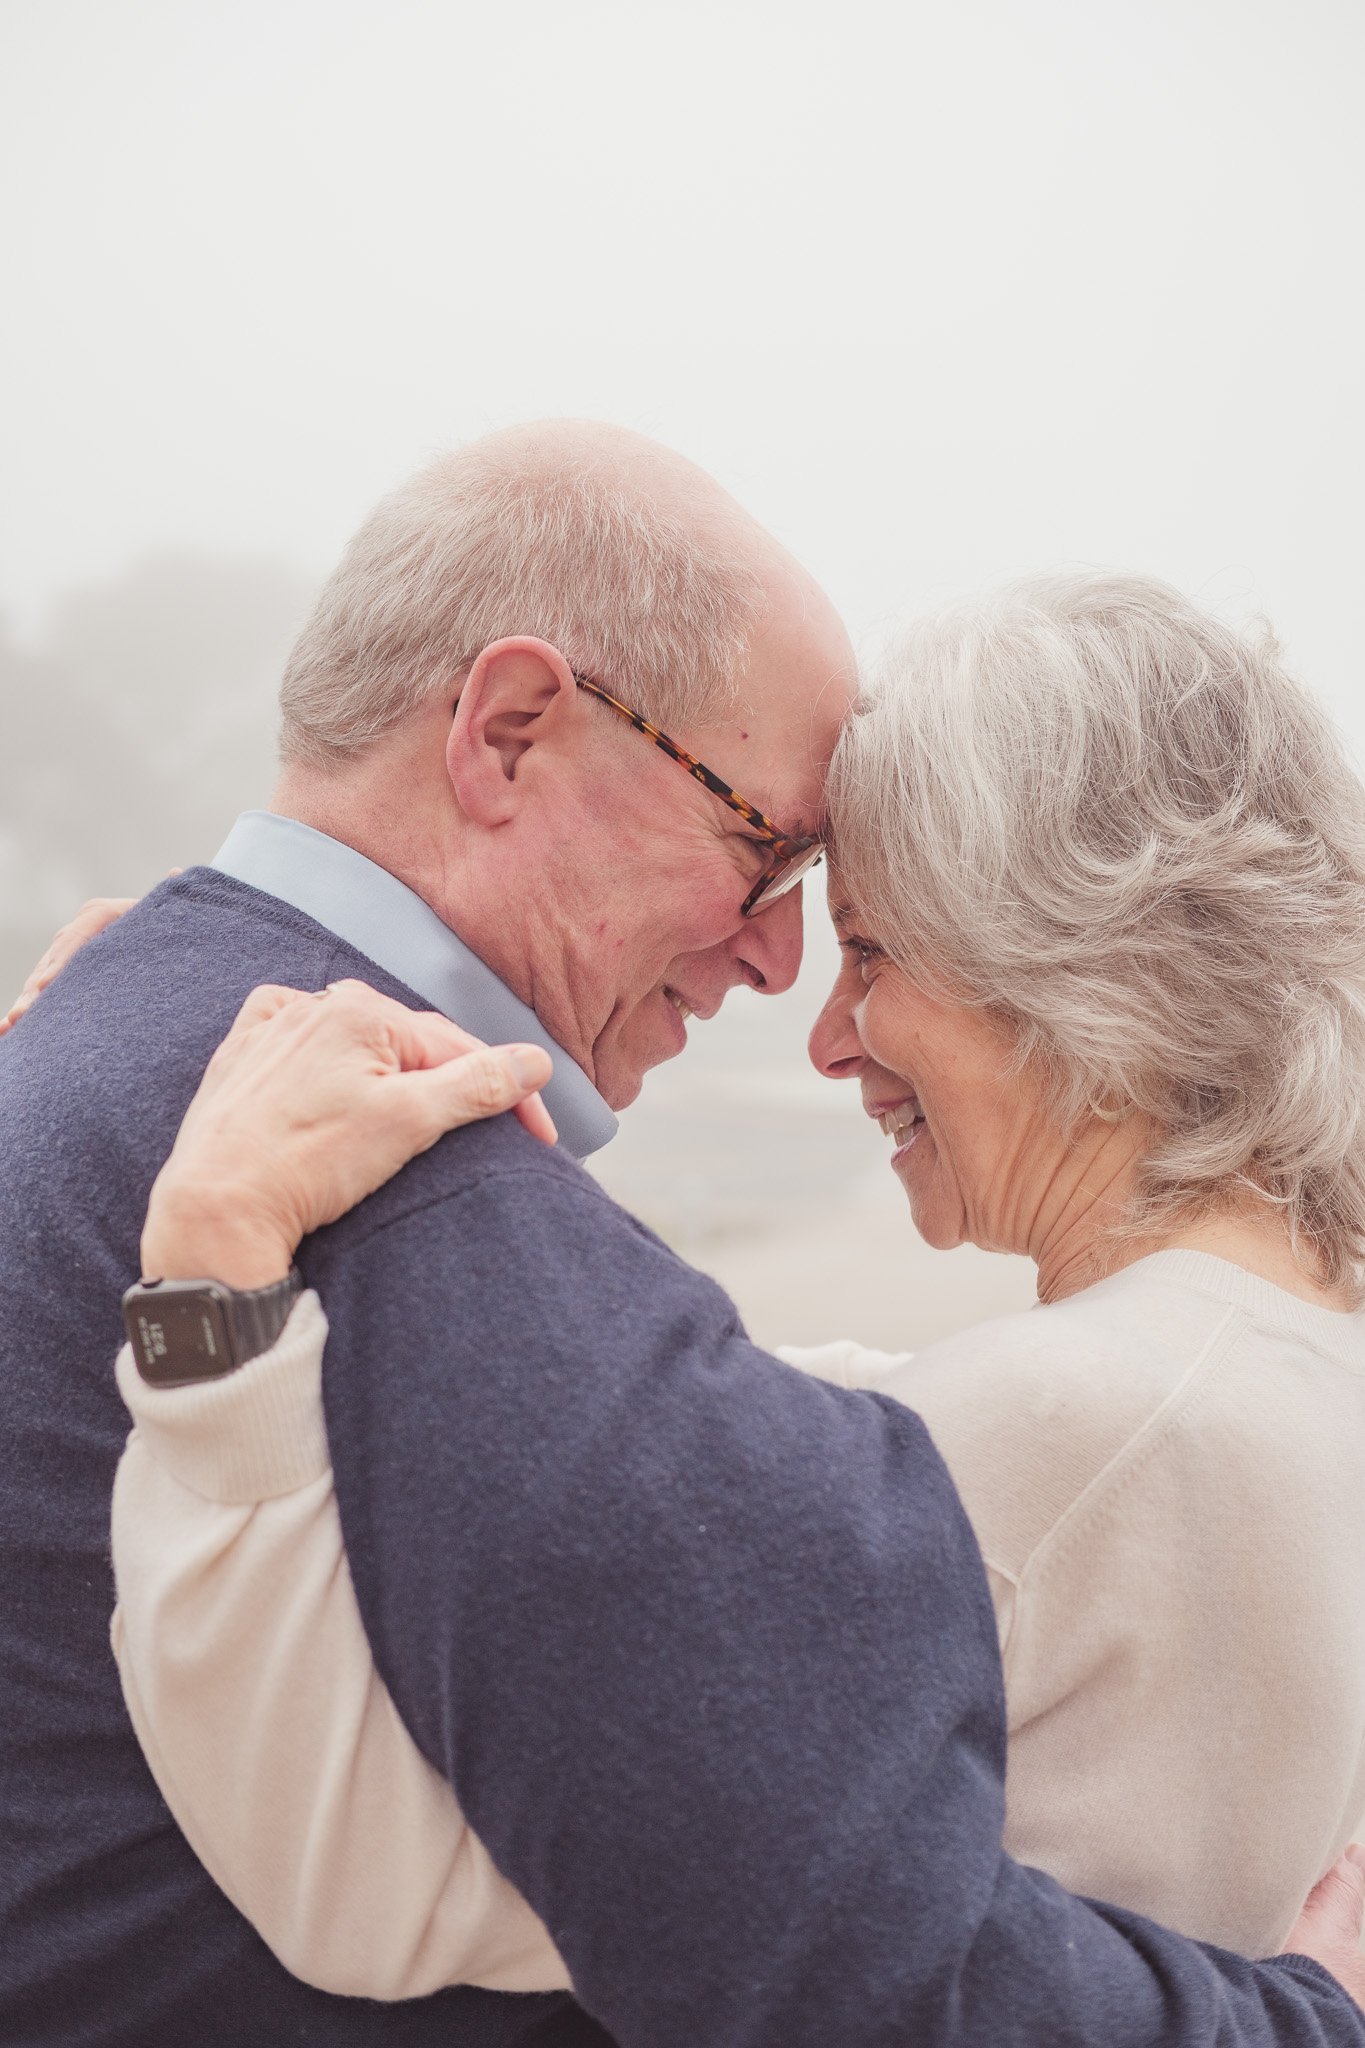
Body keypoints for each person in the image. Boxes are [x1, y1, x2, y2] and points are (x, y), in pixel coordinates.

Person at [1, 426, 1362, 2045]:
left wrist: (206, 1303)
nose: (787, 982)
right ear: (505, 734)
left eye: (857, 933)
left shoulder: (156, 1051)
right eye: (763, 851)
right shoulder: (389, 1176)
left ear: (1067, 970)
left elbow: (413, 1870)